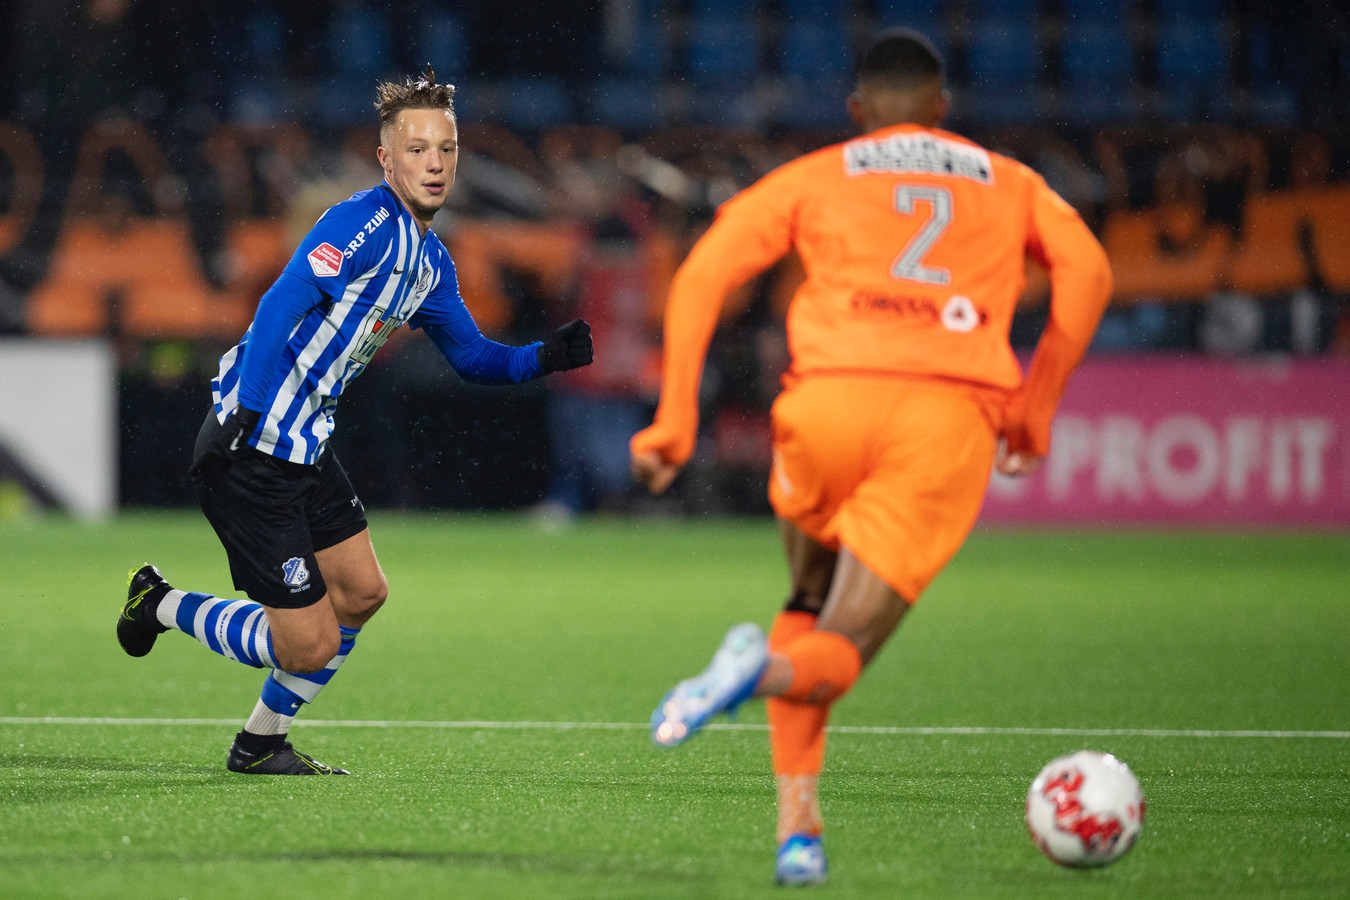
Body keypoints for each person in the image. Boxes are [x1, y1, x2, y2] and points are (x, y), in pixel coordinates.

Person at [631, 30, 1111, 886]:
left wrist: (675, 418)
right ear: (943, 110)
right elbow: (1088, 270)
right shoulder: (1011, 181)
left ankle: (798, 832)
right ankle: (752, 674)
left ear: (859, 113)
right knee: (838, 649)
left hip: (823, 406)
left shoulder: (821, 172)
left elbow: (705, 271)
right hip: (940, 416)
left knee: (807, 597)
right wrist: (1033, 411)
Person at [116, 66, 593, 775]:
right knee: (304, 643)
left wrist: (544, 357)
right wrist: (241, 409)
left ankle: (259, 744)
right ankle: (159, 604)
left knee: (363, 594)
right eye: (417, 149)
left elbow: (473, 358)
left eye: (447, 150)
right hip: (254, 442)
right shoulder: (361, 222)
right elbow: (281, 302)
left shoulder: (430, 261)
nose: (434, 164)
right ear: (386, 159)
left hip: (307, 441)